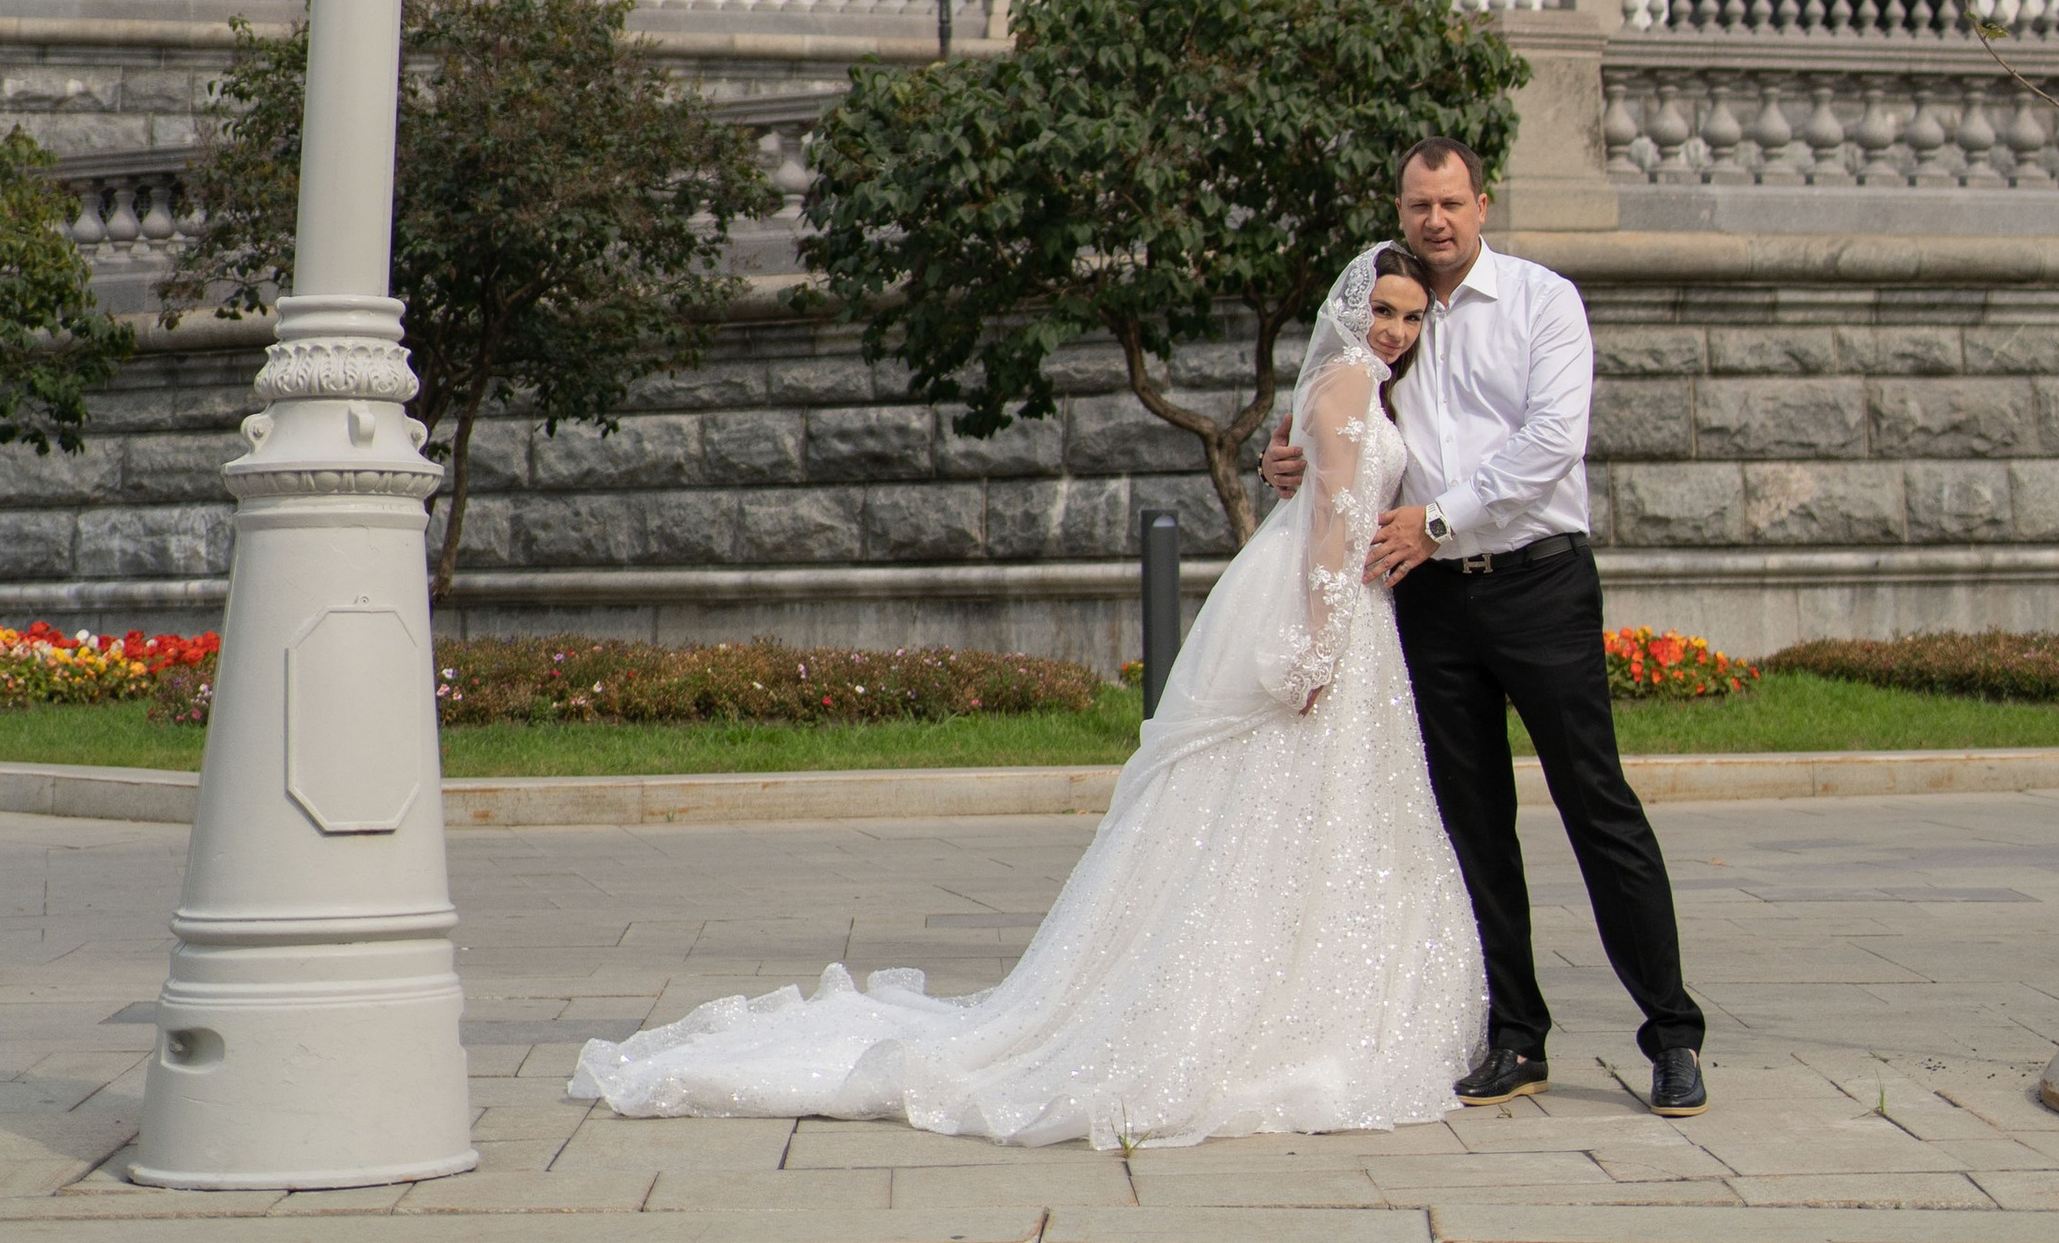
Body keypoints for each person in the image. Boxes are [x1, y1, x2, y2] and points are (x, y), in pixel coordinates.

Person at [568, 246, 1483, 1149]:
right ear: (1353, 311)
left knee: (1309, 812)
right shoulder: (1350, 386)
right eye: (1384, 312)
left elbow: (1314, 487)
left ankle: (1293, 992)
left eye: (1410, 316)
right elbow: (1328, 518)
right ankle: (1270, 1005)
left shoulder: (1348, 383)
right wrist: (1321, 639)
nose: (1396, 330)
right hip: (1322, 603)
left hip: (1340, 602)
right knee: (1285, 804)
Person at [1264, 140, 1708, 1113]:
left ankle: (1671, 1032)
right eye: (1419, 203)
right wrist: (1296, 458)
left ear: (1482, 204)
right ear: (1400, 204)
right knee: (1474, 825)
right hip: (1427, 600)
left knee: (1599, 806)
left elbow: (1553, 443)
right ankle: (1517, 1035)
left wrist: (1436, 516)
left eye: (1452, 203)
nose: (1436, 221)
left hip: (1539, 586)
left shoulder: (1544, 302)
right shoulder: (1391, 314)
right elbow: (1342, 420)